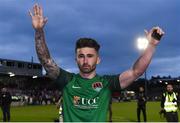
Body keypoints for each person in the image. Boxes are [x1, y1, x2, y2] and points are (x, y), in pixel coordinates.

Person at [29, 4, 164, 122]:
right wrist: (39, 31)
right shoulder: (67, 80)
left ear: (98, 59)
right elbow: (46, 61)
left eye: (90, 56)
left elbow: (136, 72)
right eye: (81, 56)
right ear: (76, 59)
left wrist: (151, 45)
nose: (85, 60)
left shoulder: (106, 83)